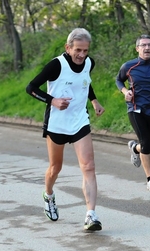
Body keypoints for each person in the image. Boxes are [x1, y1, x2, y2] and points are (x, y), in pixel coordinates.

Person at [26, 28, 105, 231]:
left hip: (79, 120)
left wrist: (94, 101)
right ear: (68, 47)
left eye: (85, 50)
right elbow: (31, 88)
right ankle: (49, 194)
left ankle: (91, 215)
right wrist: (53, 100)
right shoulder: (56, 65)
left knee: (88, 166)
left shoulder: (89, 62)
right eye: (78, 50)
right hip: (57, 123)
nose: (82, 55)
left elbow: (85, 82)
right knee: (55, 168)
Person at [115, 34, 150, 192]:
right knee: (146, 144)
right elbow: (118, 80)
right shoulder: (129, 66)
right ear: (137, 48)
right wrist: (125, 91)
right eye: (143, 45)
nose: (147, 48)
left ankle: (135, 148)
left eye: (149, 45)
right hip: (135, 109)